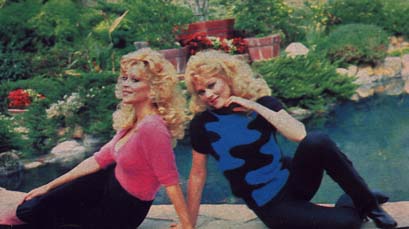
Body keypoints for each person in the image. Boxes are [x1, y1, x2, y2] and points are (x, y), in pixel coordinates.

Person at [183, 50, 397, 229]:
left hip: (294, 181)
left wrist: (254, 106)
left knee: (317, 140)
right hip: (271, 205)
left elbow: (299, 135)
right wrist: (189, 223)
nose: (208, 95)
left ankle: (368, 204)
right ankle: (350, 200)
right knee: (348, 223)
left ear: (228, 77)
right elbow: (197, 175)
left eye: (212, 85)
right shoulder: (202, 125)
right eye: (201, 92)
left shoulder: (263, 103)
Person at [0, 48, 193, 229]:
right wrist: (48, 185)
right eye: (124, 78)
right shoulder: (133, 121)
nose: (125, 84)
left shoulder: (152, 127)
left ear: (154, 88)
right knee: (44, 202)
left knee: (45, 214)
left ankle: (18, 217)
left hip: (122, 210)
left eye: (135, 80)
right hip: (107, 190)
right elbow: (98, 159)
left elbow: (169, 179)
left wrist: (186, 224)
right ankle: (22, 214)